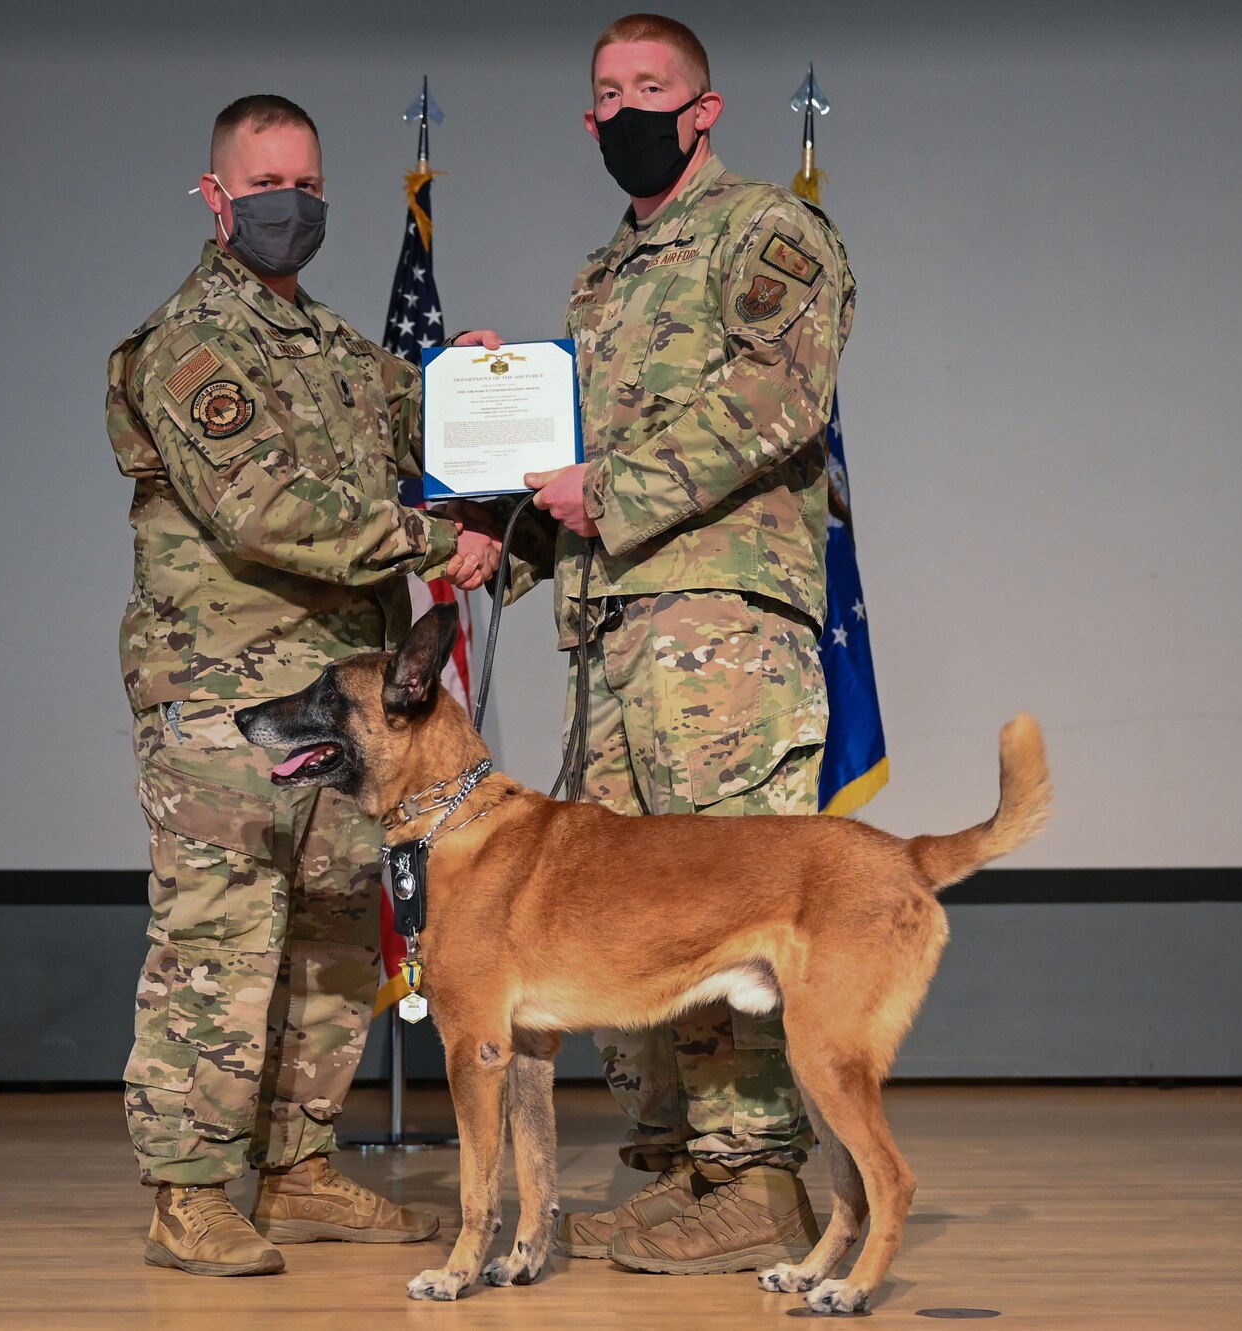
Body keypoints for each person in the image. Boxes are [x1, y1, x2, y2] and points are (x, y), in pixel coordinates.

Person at [468, 13, 856, 1275]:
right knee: (618, 927)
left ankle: (754, 1180)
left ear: (705, 109)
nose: (626, 107)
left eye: (652, 87)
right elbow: (572, 466)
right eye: (605, 92)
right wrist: (493, 410)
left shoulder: (765, 233)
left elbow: (775, 394)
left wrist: (611, 486)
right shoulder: (602, 276)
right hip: (614, 633)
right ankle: (684, 1167)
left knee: (724, 906)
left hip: (720, 633)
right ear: (588, 119)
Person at [104, 93, 502, 1278]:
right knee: (219, 939)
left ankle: (296, 1161)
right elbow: (266, 510)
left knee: (333, 935)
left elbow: (421, 418)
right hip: (228, 700)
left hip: (347, 716)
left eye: (310, 186)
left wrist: (476, 386)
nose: (294, 206)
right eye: (269, 185)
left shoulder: (327, 348)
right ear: (216, 196)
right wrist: (435, 548)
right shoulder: (189, 345)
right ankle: (186, 1189)